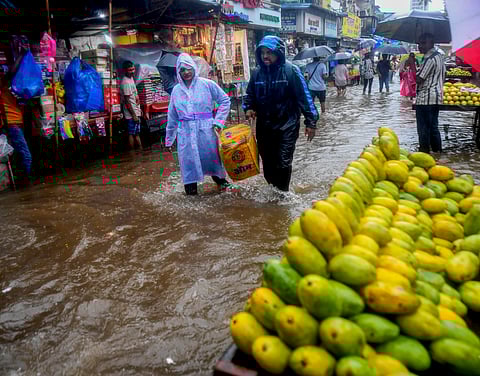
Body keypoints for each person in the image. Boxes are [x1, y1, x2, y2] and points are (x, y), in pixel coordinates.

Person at [243, 35, 318, 192]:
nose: (265, 56)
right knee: (267, 162)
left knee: (283, 162)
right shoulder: (257, 73)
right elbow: (249, 95)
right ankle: (273, 190)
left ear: (279, 53)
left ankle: (283, 194)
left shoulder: (291, 71)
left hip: (287, 125)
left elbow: (305, 98)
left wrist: (311, 122)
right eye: (262, 52)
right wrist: (249, 108)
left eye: (269, 52)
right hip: (264, 127)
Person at [165, 53, 231, 196]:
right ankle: (192, 204)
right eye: (182, 70)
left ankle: (226, 191)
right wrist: (169, 140)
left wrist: (218, 122)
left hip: (206, 131)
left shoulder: (207, 84)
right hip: (186, 134)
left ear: (194, 68)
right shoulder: (176, 91)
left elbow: (225, 101)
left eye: (189, 68)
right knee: (188, 169)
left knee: (214, 165)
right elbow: (172, 117)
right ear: (178, 71)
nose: (186, 72)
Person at [415, 33, 445, 153]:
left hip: (425, 99)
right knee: (433, 127)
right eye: (419, 43)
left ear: (431, 43)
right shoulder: (439, 57)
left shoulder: (430, 59)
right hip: (436, 97)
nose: (420, 46)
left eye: (423, 43)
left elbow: (419, 79)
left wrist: (412, 66)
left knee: (423, 129)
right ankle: (437, 154)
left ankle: (424, 154)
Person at [0, 66, 32, 179]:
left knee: (17, 154)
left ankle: (24, 183)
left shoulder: (7, 89)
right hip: (11, 124)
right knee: (25, 155)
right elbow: (11, 72)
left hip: (14, 123)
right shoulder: (3, 87)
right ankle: (28, 183)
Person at [120, 60, 143, 150]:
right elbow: (127, 101)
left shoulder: (131, 79)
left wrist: (138, 109)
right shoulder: (125, 82)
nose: (132, 71)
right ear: (125, 70)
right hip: (131, 114)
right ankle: (133, 153)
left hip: (135, 110)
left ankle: (139, 153)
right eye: (130, 70)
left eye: (133, 69)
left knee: (137, 133)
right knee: (132, 134)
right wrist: (133, 115)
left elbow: (134, 96)